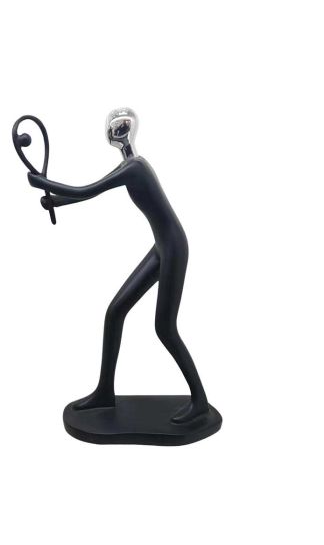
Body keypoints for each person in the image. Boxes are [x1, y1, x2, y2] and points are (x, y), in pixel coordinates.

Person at [28, 108, 209, 423]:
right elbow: (93, 192)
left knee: (165, 329)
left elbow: (88, 189)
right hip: (162, 247)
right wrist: (56, 200)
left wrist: (44, 183)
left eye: (117, 127)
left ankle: (200, 402)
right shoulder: (129, 167)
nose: (112, 132)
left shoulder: (136, 168)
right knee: (115, 312)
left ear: (125, 133)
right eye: (111, 128)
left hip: (174, 249)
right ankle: (104, 392)